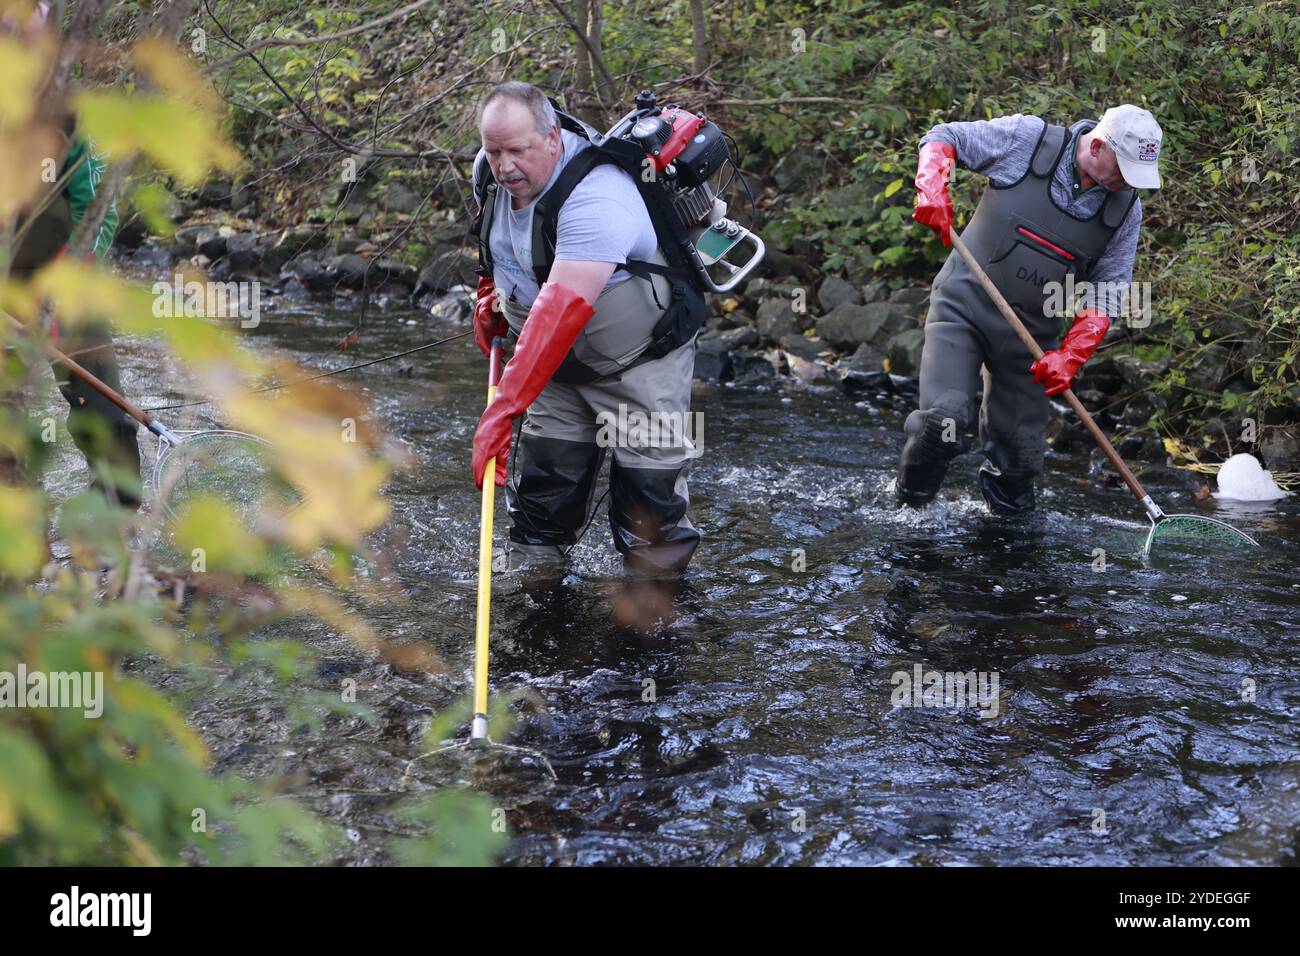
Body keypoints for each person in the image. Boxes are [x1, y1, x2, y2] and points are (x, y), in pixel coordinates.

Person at [468, 81, 701, 576]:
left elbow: (560, 310)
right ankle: (536, 617)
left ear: (553, 139)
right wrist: (491, 295)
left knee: (650, 529)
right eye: (494, 152)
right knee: (540, 511)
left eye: (518, 151)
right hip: (552, 370)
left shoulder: (599, 198)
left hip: (638, 364)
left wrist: (503, 412)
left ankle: (652, 639)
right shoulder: (489, 175)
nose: (505, 166)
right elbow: (501, 244)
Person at [899, 104, 1163, 513]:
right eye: (1125, 168)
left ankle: (1010, 549)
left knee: (1022, 459)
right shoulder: (1028, 140)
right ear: (1097, 147)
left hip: (1031, 339)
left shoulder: (1125, 209)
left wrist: (1072, 353)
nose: (1130, 182)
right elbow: (945, 136)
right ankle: (907, 515)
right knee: (944, 424)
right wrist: (932, 184)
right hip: (962, 310)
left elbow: (1109, 287)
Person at [3, 0, 140, 507]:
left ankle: (117, 525)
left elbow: (97, 209)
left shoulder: (71, 110)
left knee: (101, 408)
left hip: (65, 271)